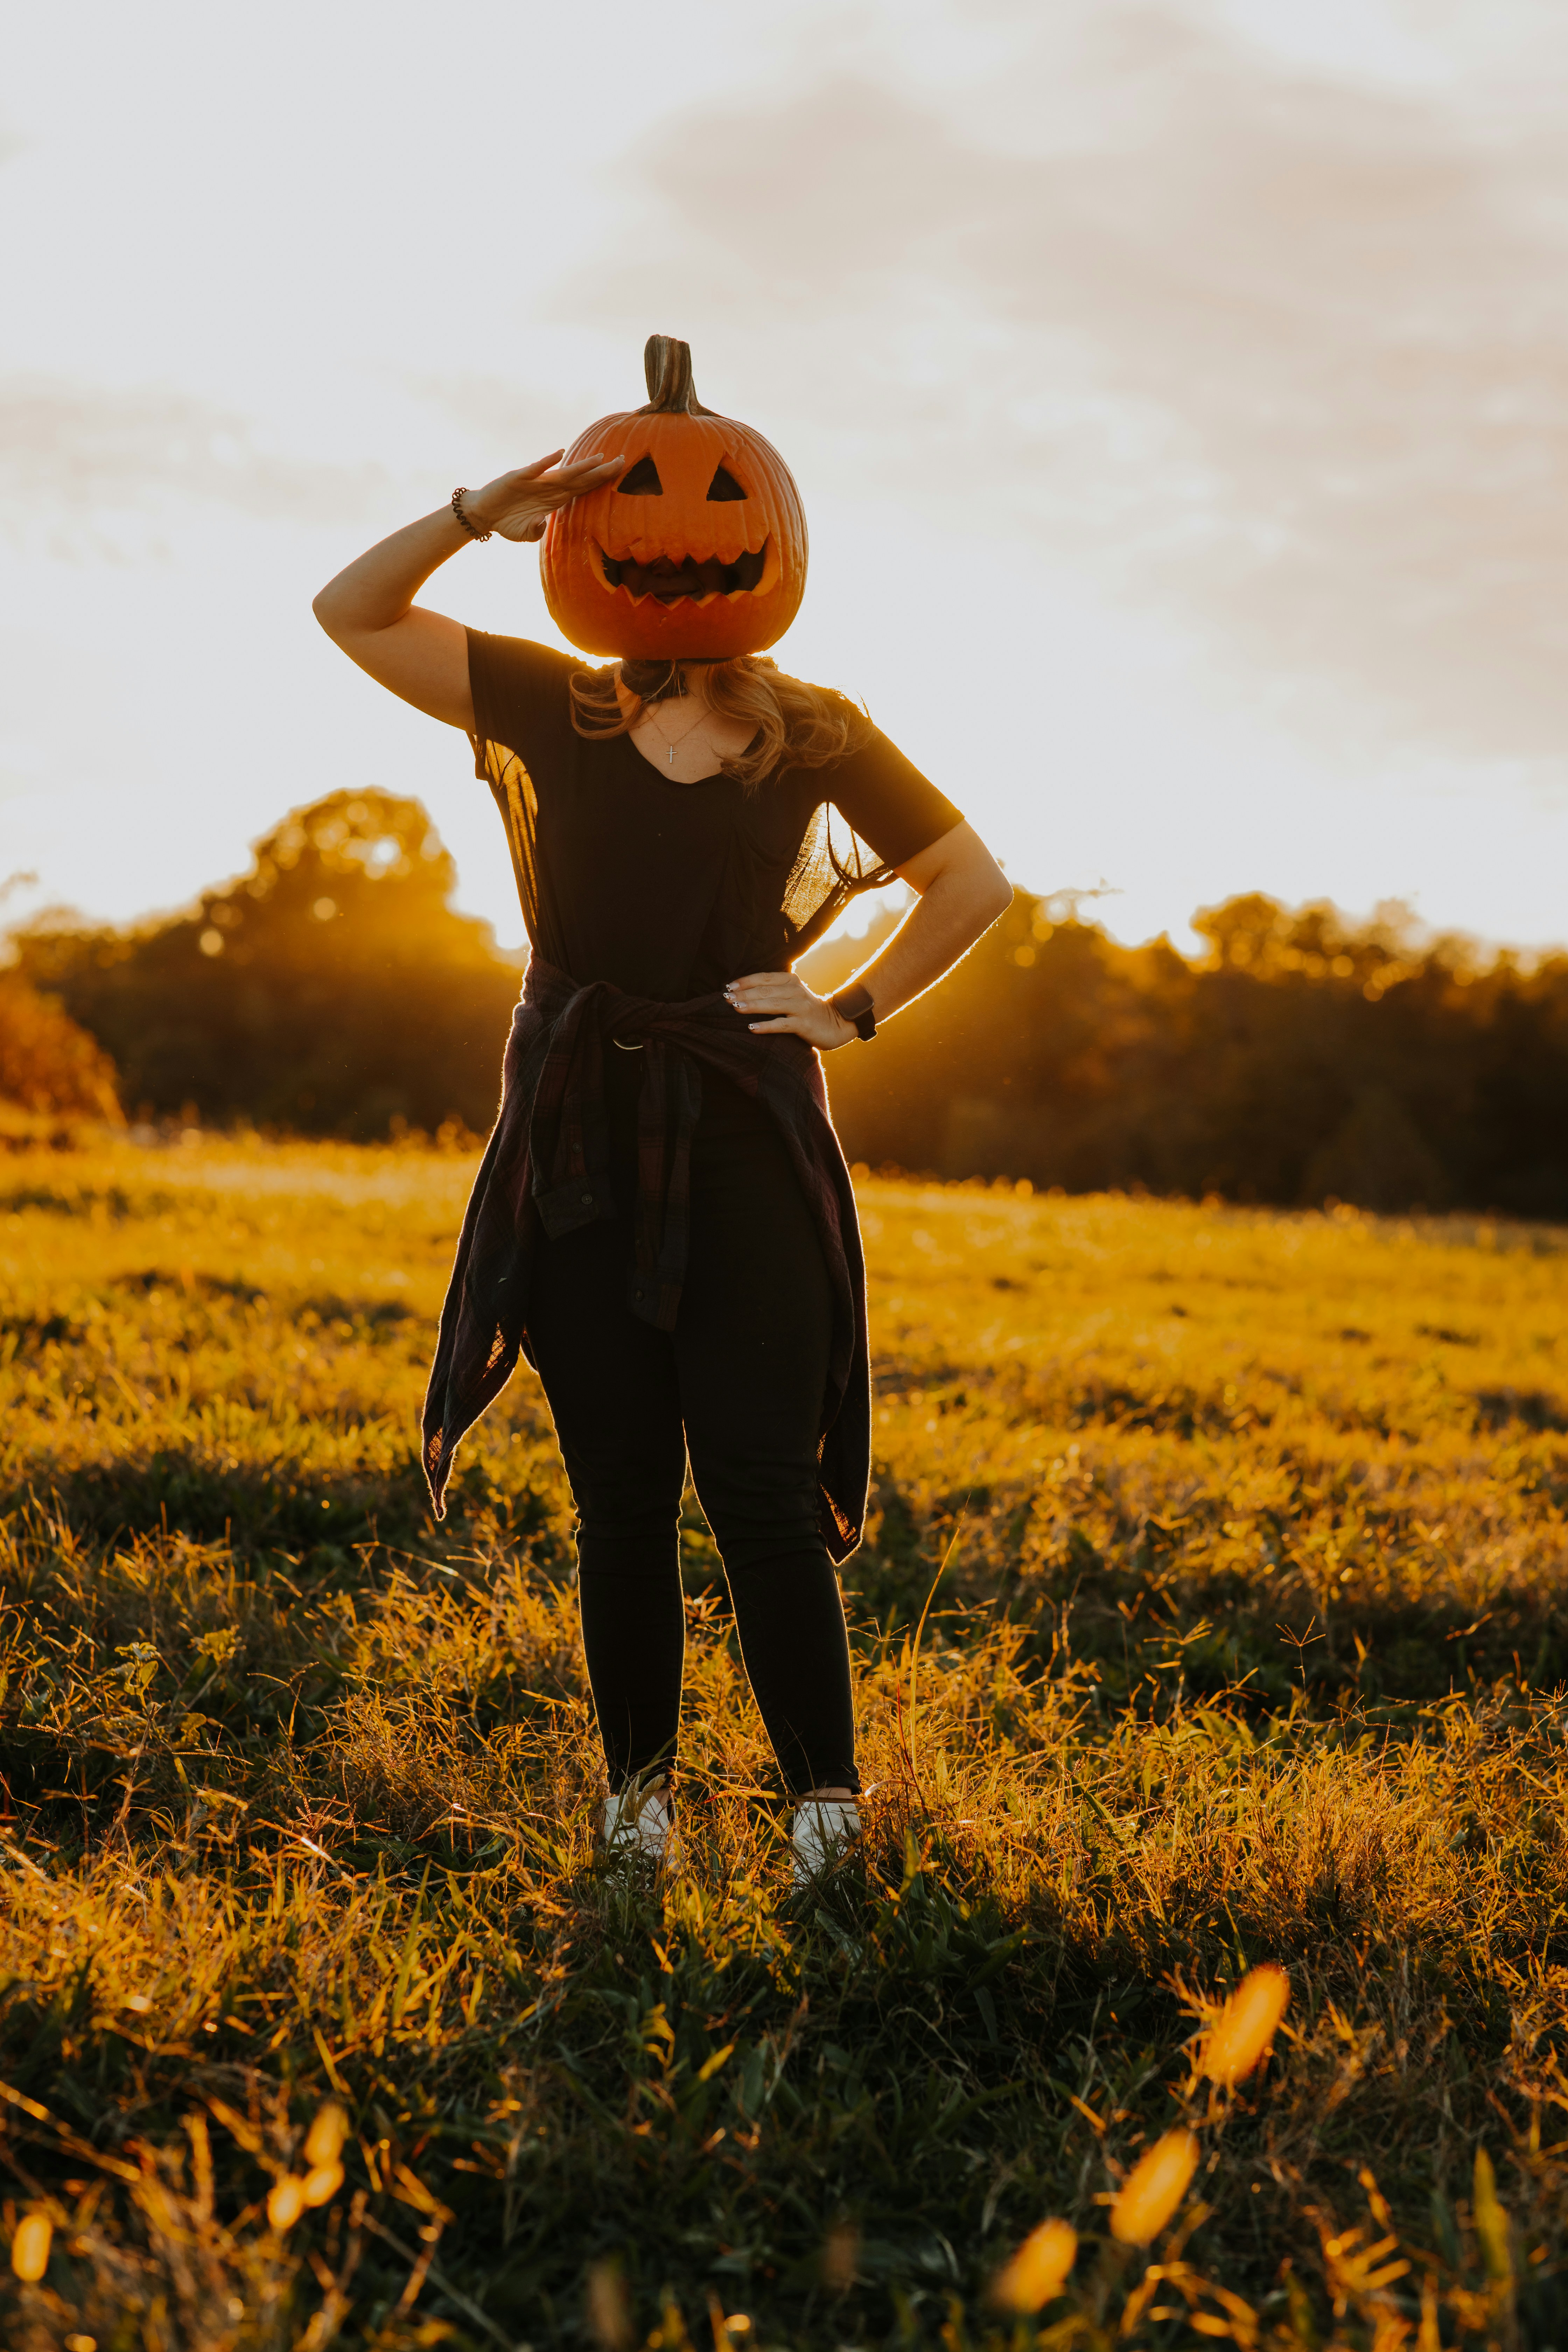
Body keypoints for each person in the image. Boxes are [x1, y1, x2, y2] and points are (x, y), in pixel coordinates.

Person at [312, 386, 1011, 1885]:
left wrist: (851, 1008)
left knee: (758, 1490)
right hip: (571, 1146)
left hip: (750, 1141)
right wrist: (472, 514)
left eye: (713, 515)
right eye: (640, 515)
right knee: (619, 1497)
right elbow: (350, 612)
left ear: (763, 540)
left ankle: (828, 1825)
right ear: (583, 545)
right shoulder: (548, 703)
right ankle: (638, 1819)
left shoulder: (814, 730)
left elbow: (970, 882)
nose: (674, 548)